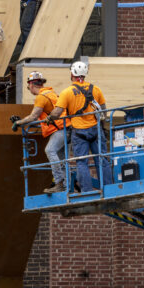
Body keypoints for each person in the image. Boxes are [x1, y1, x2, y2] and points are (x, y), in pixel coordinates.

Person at [44, 60, 112, 193]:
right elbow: (104, 111)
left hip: (79, 132)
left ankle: (86, 191)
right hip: (96, 130)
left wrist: (49, 118)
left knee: (81, 163)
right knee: (102, 159)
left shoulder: (67, 92)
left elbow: (57, 113)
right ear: (85, 73)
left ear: (72, 74)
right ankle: (108, 189)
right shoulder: (96, 89)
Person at [10, 70, 72, 195]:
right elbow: (43, 117)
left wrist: (18, 123)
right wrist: (22, 121)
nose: (30, 90)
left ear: (32, 85)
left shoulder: (41, 97)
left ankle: (59, 182)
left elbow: (33, 116)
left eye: (29, 88)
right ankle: (66, 185)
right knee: (62, 159)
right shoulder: (52, 93)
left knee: (50, 150)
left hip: (60, 130)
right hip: (67, 128)